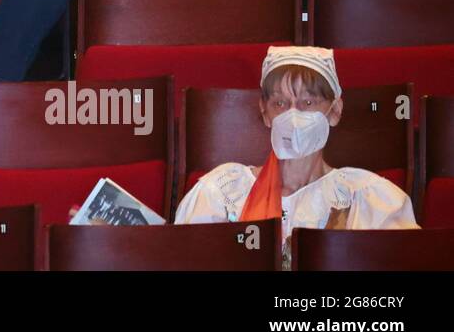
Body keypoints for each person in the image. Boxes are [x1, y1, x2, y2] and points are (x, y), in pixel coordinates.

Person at [175, 46, 418, 260]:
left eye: (308, 103)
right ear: (264, 111)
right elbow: (183, 261)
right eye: (280, 103)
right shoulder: (223, 192)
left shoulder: (365, 197)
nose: (293, 115)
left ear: (335, 111)